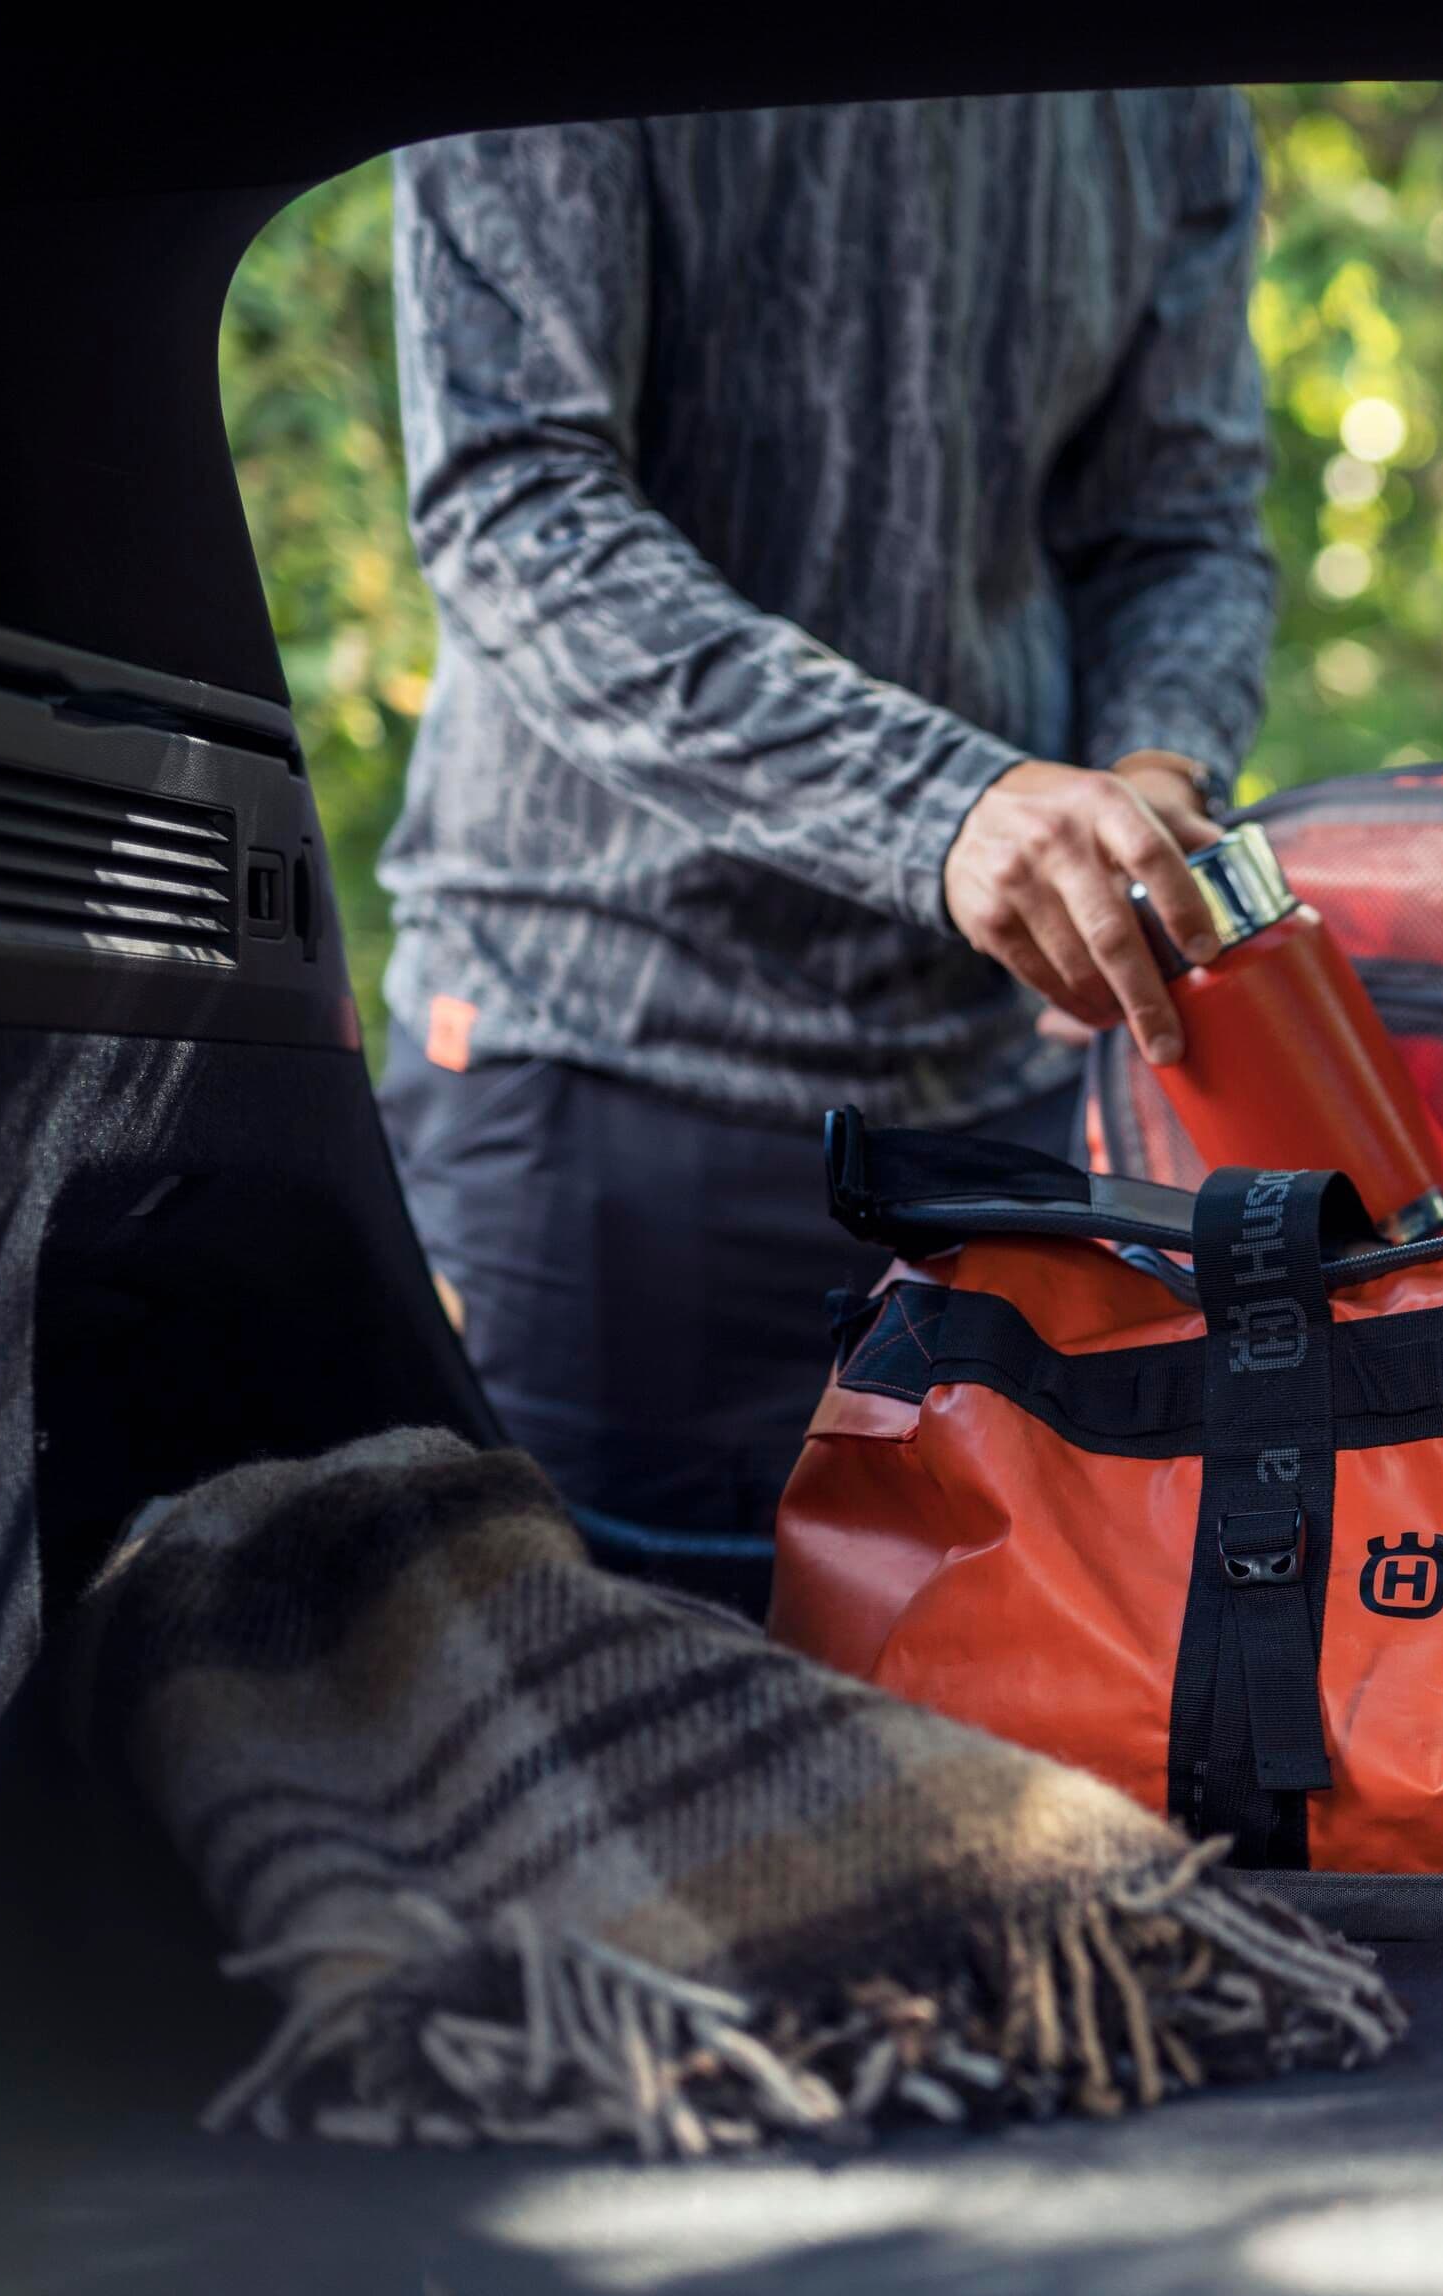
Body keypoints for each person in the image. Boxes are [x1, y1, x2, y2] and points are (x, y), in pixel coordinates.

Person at [379, 97, 1274, 1549]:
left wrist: (1160, 773)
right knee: (566, 1737)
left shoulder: (1163, 94)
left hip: (1003, 1124)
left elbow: (1179, 526)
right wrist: (941, 808)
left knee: (983, 1746)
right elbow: (515, 501)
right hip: (591, 1073)